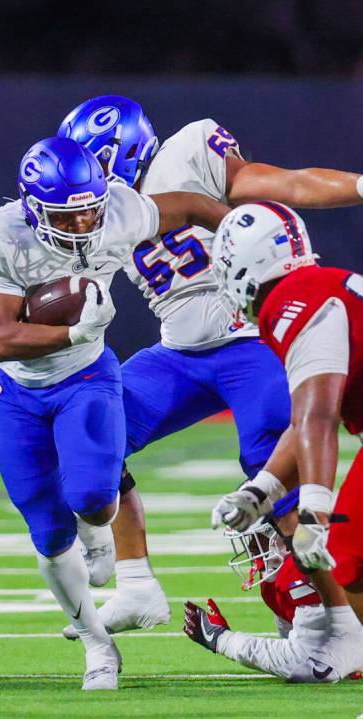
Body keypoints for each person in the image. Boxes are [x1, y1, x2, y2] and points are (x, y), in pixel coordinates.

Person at [58, 95, 363, 637]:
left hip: (250, 341)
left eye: (92, 166)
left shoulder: (189, 150)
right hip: (178, 353)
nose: (86, 185)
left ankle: (334, 618)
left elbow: (285, 184)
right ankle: (136, 585)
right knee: (92, 423)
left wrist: (360, 186)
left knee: (271, 458)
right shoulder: (95, 215)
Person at [0, 136, 228, 689]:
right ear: (33, 205)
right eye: (71, 212)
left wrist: (237, 232)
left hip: (87, 375)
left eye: (91, 207)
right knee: (47, 532)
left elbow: (185, 205)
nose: (85, 222)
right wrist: (72, 329)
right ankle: (96, 645)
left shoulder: (119, 209)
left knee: (92, 495)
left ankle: (101, 538)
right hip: (18, 390)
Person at [210, 201, 363, 628]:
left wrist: (313, 514)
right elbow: (305, 422)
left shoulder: (292, 301)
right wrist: (261, 492)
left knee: (350, 556)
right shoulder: (315, 286)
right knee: (352, 557)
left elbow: (317, 419)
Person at [184, 518, 363, 682]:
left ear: (280, 536)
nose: (251, 547)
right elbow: (295, 647)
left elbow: (305, 664)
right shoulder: (273, 585)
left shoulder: (303, 570)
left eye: (258, 537)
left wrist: (223, 640)